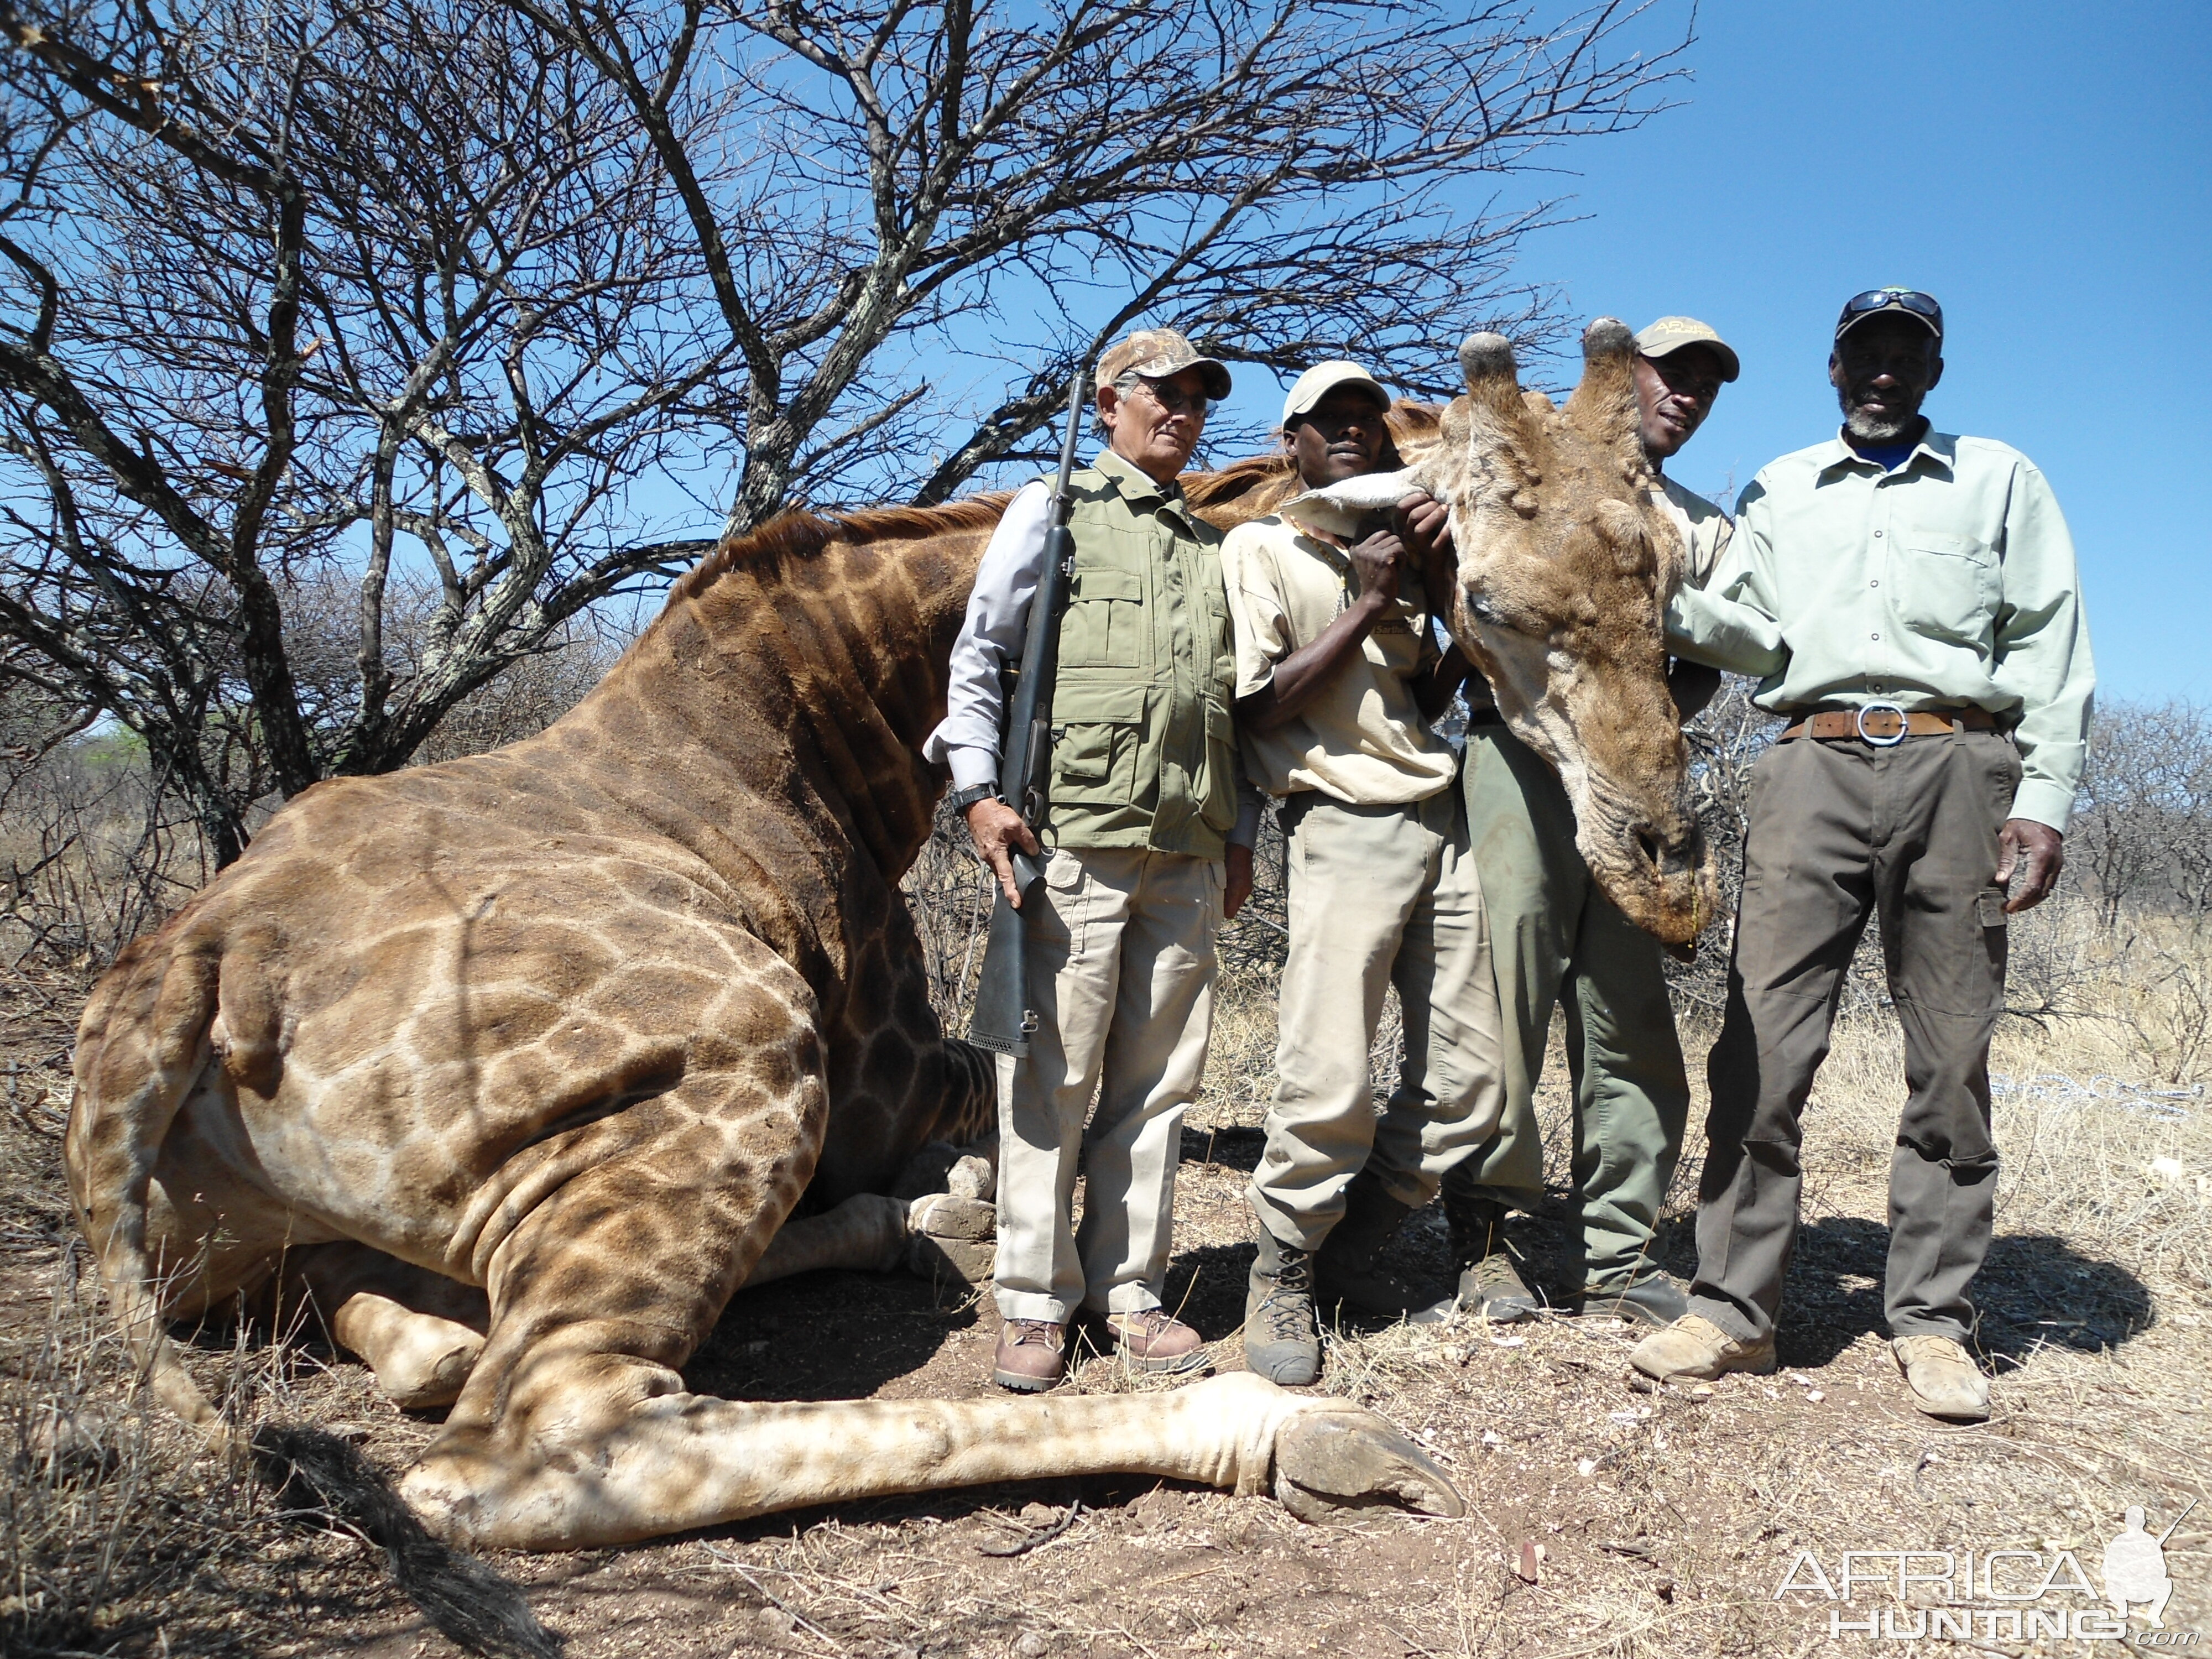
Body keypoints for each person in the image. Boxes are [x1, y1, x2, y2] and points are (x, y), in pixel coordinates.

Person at [1633, 288, 2096, 1422]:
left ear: (1931, 373)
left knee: (1949, 1049)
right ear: (1831, 368)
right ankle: (1731, 1311)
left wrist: (2038, 798)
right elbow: (1738, 626)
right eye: (1863, 355)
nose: (1882, 372)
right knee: (1762, 1038)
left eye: (1905, 356)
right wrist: (1633, 578)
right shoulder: (1779, 489)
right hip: (1808, 762)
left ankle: (1931, 1323)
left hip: (1958, 765)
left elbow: (2046, 638)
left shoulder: (1999, 479)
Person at [926, 328, 1257, 1392]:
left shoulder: (1215, 549)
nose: (1183, 412)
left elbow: (1234, 714)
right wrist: (978, 795)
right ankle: (1032, 1301)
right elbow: (981, 657)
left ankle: (1130, 1294)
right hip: (1071, 846)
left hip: (1188, 854)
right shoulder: (1053, 511)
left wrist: (1240, 837)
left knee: (1159, 1086)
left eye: (1199, 398)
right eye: (1163, 393)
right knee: (1049, 1081)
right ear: (1110, 402)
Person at [1430, 317, 1741, 1327]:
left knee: (1629, 1008)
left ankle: (1620, 1250)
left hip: (1638, 783)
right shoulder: (1497, 472)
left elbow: (1718, 651)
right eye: (1669, 374)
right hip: (1512, 758)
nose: (1684, 395)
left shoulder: (1688, 523)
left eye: (1706, 384)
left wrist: (1634, 737)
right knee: (1503, 987)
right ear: (1627, 377)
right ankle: (1487, 1244)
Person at [1223, 361, 1504, 1385]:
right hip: (1340, 821)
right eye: (1325, 421)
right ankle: (1282, 1268)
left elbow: (1423, 700)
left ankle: (1352, 1252)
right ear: (1289, 441)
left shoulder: (1395, 540)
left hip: (1446, 811)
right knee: (1330, 1072)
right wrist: (1369, 598)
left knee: (1473, 1083)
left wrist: (1444, 605)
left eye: (1364, 420)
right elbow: (1259, 706)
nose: (1349, 433)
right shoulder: (1262, 548)